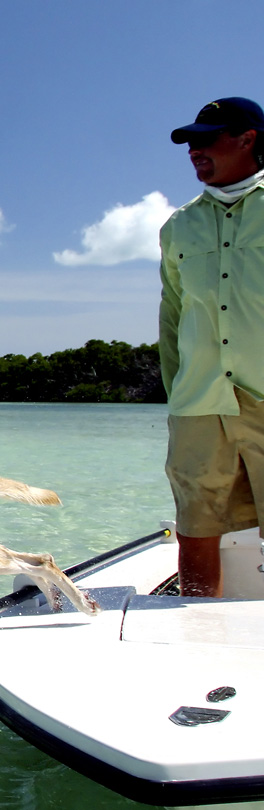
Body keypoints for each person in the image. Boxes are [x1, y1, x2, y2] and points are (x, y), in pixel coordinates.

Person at [159, 97, 264, 597]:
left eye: (208, 138)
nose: (195, 149)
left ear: (249, 138)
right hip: (199, 402)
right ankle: (195, 627)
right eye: (190, 142)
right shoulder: (178, 226)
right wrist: (178, 398)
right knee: (195, 523)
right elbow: (173, 319)